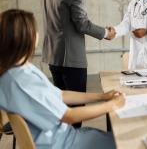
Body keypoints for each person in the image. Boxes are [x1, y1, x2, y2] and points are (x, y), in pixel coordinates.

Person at [0, 9, 125, 149]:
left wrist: (101, 96)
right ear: (26, 37)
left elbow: (60, 95)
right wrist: (112, 105)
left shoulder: (17, 70)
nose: (37, 34)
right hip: (62, 143)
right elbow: (69, 115)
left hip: (61, 138)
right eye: (34, 30)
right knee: (128, 141)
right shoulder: (21, 79)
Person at [41, 0, 114, 127]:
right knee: (75, 114)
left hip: (53, 56)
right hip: (72, 60)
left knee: (61, 110)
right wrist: (105, 33)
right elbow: (82, 23)